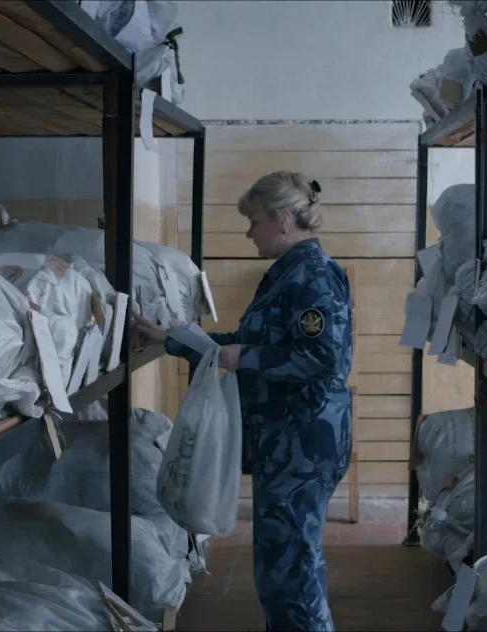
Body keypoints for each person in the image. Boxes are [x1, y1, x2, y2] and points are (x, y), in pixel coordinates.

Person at [134, 171, 353, 631]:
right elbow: (245, 343)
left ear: (283, 219)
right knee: (285, 569)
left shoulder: (313, 276)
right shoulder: (286, 275)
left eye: (254, 221)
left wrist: (244, 357)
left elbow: (325, 358)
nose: (249, 233)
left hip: (303, 443)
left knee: (289, 575)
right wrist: (173, 339)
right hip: (286, 442)